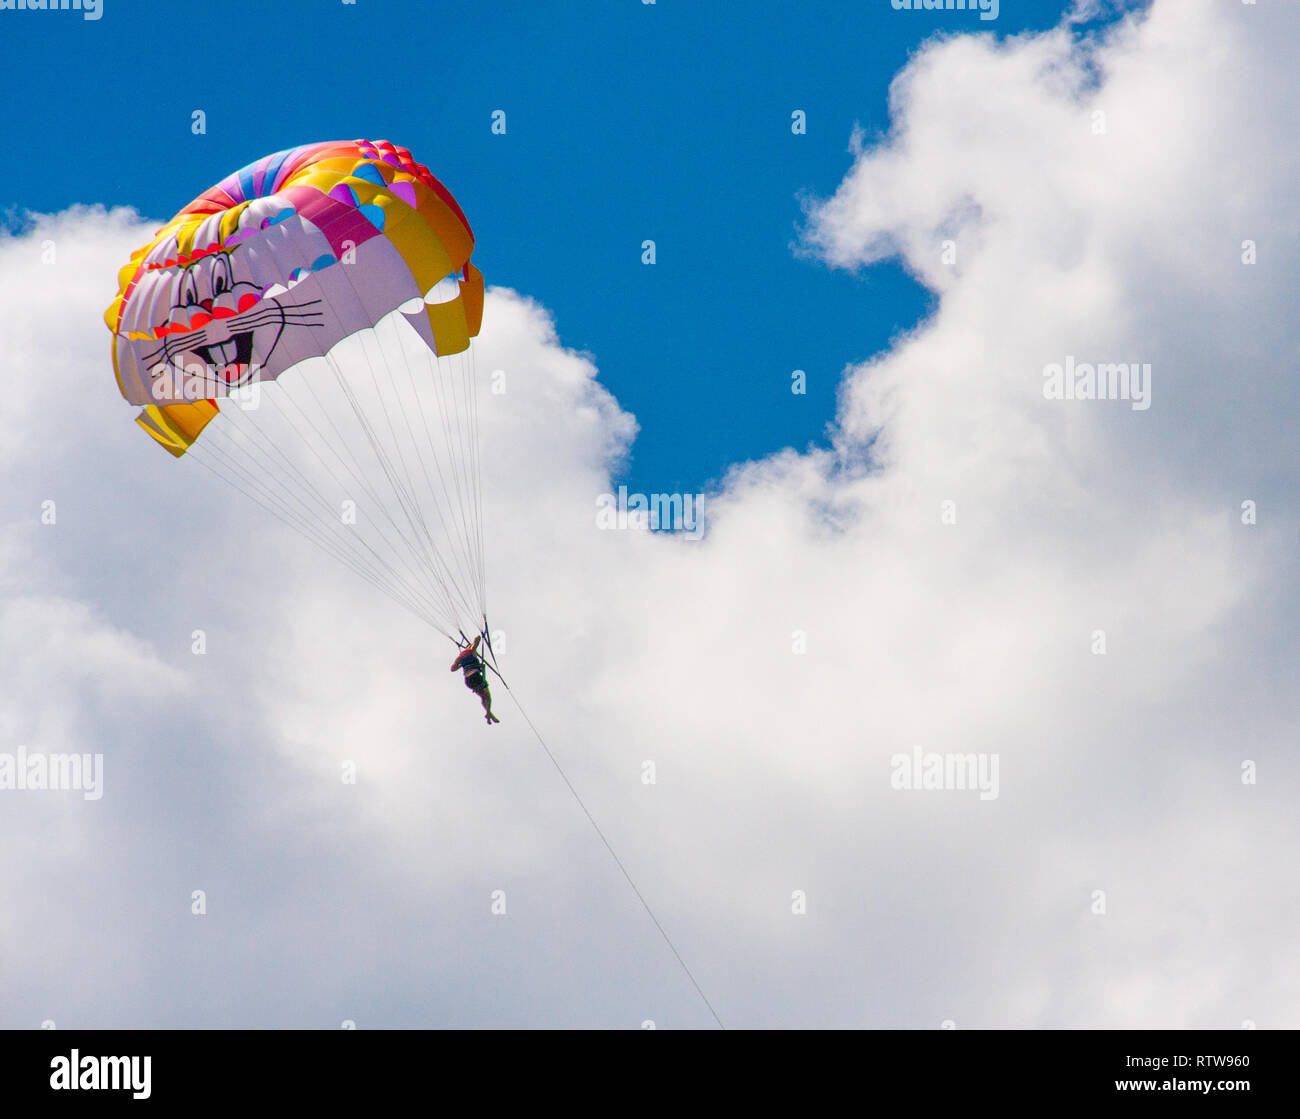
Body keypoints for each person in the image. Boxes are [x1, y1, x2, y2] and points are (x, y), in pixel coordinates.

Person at [451, 635, 500, 724]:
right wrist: (475, 642)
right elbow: (477, 638)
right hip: (475, 677)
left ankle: (489, 714)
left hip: (468, 681)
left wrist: (461, 665)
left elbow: (452, 669)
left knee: (482, 696)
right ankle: (488, 713)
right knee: (487, 695)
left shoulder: (460, 658)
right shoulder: (471, 650)